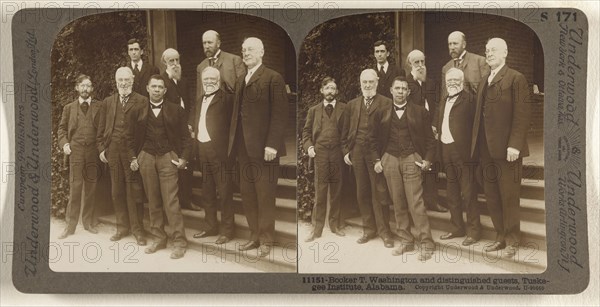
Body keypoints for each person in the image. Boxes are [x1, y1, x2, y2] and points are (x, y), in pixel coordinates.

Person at [471, 38, 532, 258]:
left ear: (505, 52)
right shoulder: (484, 80)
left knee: (509, 196)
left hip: (508, 151)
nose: (489, 54)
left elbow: (522, 115)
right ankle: (500, 236)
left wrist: (514, 144)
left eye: (493, 50)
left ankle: (513, 240)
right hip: (485, 150)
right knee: (492, 195)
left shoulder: (516, 78)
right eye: (486, 51)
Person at [228, 37, 288, 257]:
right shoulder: (241, 79)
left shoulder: (273, 78)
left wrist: (272, 144)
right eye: (243, 50)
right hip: (243, 149)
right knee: (247, 193)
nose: (246, 53)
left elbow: (280, 115)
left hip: (265, 150)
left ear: (262, 52)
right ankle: (254, 236)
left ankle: (266, 239)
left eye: (250, 50)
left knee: (264, 195)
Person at [369, 76, 436, 261]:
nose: (400, 91)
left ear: (408, 92)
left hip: (411, 158)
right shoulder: (381, 112)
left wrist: (427, 161)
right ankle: (406, 241)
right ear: (391, 90)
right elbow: (372, 140)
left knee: (416, 202)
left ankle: (427, 243)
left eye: (403, 89)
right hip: (389, 159)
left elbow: (431, 140)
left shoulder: (420, 112)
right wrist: (377, 160)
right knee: (397, 202)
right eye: (397, 88)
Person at [127, 74, 191, 259]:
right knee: (153, 201)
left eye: (160, 87)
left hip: (167, 157)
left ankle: (179, 242)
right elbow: (129, 138)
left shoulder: (176, 110)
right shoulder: (137, 110)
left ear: (165, 90)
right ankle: (159, 238)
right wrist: (134, 157)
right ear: (147, 88)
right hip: (146, 157)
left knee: (171, 201)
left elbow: (186, 138)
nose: (156, 90)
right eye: (153, 86)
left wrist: (183, 159)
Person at [343, 69, 394, 248]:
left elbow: (389, 134)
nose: (367, 85)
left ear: (377, 83)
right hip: (357, 152)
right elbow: (345, 131)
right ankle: (368, 229)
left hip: (376, 155)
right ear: (360, 83)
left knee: (379, 192)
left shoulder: (386, 103)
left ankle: (384, 232)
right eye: (364, 82)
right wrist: (345, 151)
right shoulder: (352, 104)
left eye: (371, 82)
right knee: (362, 191)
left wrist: (382, 158)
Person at [97, 67, 147, 246]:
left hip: (132, 153)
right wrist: (102, 148)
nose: (123, 83)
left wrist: (137, 156)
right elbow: (101, 128)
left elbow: (144, 131)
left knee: (134, 191)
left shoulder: (141, 101)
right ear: (116, 82)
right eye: (120, 80)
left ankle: (138, 230)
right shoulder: (108, 102)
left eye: (126, 80)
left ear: (132, 81)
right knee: (117, 190)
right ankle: (122, 227)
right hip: (113, 152)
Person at [191, 67, 236, 244]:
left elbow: (233, 128)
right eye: (206, 79)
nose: (209, 82)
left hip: (220, 152)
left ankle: (227, 230)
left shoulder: (227, 99)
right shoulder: (199, 99)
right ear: (202, 81)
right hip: (202, 149)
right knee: (207, 191)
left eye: (212, 78)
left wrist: (230, 152)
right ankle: (210, 226)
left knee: (224, 192)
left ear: (218, 80)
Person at [436, 68, 481, 246]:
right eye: (449, 80)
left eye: (456, 79)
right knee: (452, 193)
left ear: (462, 81)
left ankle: (474, 231)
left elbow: (476, 129)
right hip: (446, 150)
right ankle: (457, 227)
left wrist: (473, 154)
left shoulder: (470, 100)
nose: (452, 83)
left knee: (468, 193)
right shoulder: (443, 100)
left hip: (463, 153)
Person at [302, 77, 348, 242]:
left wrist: (346, 152)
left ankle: (335, 225)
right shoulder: (314, 110)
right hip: (320, 154)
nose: (330, 91)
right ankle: (316, 229)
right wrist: (309, 148)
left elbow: (349, 132)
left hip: (337, 154)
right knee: (320, 192)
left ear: (336, 92)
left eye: (333, 88)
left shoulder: (344, 108)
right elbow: (306, 133)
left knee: (336, 190)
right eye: (327, 88)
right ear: (322, 91)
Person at [57, 74, 102, 239]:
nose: (85, 89)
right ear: (77, 87)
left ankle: (88, 223)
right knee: (75, 188)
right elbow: (61, 130)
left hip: (92, 152)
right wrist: (65, 144)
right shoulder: (69, 108)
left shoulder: (99, 106)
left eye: (88, 85)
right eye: (82, 85)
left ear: (92, 89)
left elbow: (104, 129)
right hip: (75, 152)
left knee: (91, 187)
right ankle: (70, 226)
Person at [405, 49, 447, 213]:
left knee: (432, 166)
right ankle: (418, 203)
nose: (421, 66)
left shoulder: (430, 83)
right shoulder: (405, 84)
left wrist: (435, 124)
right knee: (416, 167)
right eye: (417, 63)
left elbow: (437, 106)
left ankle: (433, 201)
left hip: (431, 132)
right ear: (410, 64)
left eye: (423, 62)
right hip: (414, 133)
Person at [160, 48, 199, 211]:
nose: (175, 64)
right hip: (170, 132)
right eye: (171, 61)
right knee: (173, 165)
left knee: (187, 162)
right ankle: (173, 202)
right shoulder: (161, 82)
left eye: (177, 60)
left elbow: (190, 104)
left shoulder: (183, 81)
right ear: (165, 63)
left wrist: (190, 123)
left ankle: (187, 200)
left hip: (185, 130)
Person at [196, 30, 246, 102]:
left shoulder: (234, 60)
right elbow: (199, 95)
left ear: (218, 43)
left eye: (210, 42)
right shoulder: (201, 67)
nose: (206, 46)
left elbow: (242, 90)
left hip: (230, 107)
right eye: (204, 43)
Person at [441, 31, 489, 98]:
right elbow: (444, 96)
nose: (452, 47)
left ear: (464, 44)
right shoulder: (446, 68)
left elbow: (486, 92)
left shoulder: (480, 61)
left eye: (455, 43)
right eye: (450, 44)